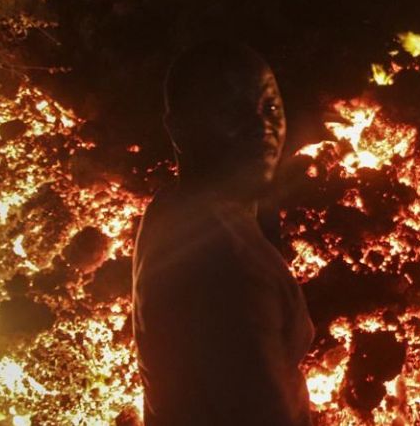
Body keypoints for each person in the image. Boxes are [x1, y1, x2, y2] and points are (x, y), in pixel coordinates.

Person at [132, 40, 314, 425]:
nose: (261, 126)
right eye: (232, 111)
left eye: (270, 108)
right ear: (179, 128)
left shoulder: (174, 208)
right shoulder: (228, 265)